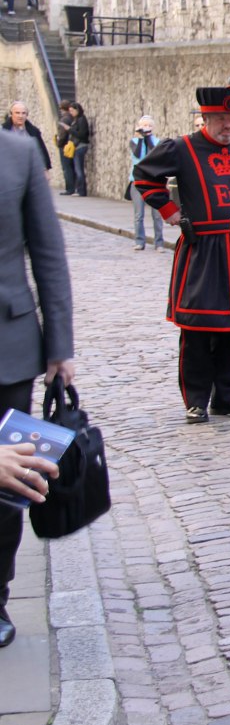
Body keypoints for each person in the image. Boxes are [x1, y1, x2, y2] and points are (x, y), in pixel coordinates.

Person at [133, 83, 230, 423]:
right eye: (221, 119)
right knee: (196, 328)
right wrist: (170, 212)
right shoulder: (182, 148)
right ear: (205, 118)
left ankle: (226, 397)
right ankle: (196, 399)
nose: (228, 126)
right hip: (203, 250)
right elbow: (145, 177)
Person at [0, 128, 75, 648]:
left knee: (9, 484)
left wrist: (59, 347)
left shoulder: (20, 153)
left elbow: (48, 253)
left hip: (9, 346)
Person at [128, 116, 166, 251]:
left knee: (157, 214)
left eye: (148, 125)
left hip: (154, 181)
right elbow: (138, 155)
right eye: (143, 125)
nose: (145, 127)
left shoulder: (157, 142)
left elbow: (153, 153)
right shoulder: (133, 141)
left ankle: (159, 243)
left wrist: (148, 137)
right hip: (137, 182)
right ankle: (139, 241)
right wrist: (140, 137)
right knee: (139, 214)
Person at [7, 101, 51, 170]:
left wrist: (44, 169)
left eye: (23, 113)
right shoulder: (3, 131)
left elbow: (40, 150)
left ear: (27, 115)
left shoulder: (33, 132)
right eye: (17, 113)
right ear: (11, 114)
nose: (20, 116)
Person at [62, 101, 91, 197]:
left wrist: (69, 129)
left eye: (72, 110)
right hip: (76, 146)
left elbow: (82, 134)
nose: (71, 113)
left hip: (80, 146)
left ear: (77, 110)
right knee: (77, 168)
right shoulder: (77, 119)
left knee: (79, 169)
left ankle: (81, 191)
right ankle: (79, 189)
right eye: (69, 111)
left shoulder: (81, 119)